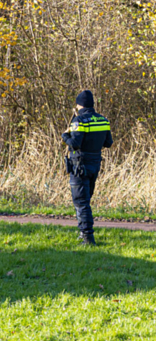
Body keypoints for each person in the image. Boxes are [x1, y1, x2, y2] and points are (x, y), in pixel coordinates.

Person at [62, 90, 113, 246]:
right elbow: (108, 143)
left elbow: (75, 144)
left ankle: (87, 237)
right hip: (95, 164)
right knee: (86, 200)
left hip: (79, 165)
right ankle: (83, 232)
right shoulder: (103, 120)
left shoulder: (79, 121)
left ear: (79, 105)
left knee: (81, 202)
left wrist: (65, 136)